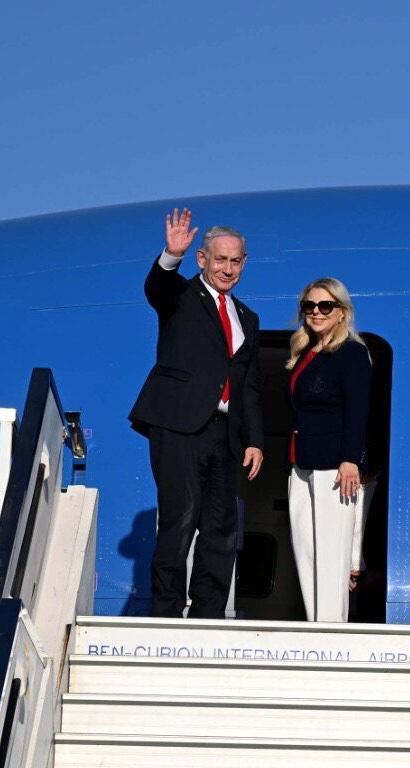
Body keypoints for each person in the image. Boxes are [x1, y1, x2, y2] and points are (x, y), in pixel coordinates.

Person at [129, 209, 264, 618]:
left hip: (225, 433)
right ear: (202, 259)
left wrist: (255, 440)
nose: (227, 268)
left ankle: (208, 614)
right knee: (181, 517)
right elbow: (157, 287)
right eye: (220, 259)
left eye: (235, 261)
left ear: (244, 263)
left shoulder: (248, 318)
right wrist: (172, 254)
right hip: (179, 424)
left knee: (222, 527)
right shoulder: (181, 296)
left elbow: (249, 386)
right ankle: (167, 612)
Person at [286, 278, 372, 622]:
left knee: (332, 554)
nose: (316, 312)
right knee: (306, 550)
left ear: (342, 312)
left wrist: (351, 458)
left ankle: (332, 629)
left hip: (336, 467)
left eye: (325, 306)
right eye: (309, 306)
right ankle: (315, 625)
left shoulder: (351, 353)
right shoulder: (305, 352)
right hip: (301, 463)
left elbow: (358, 410)